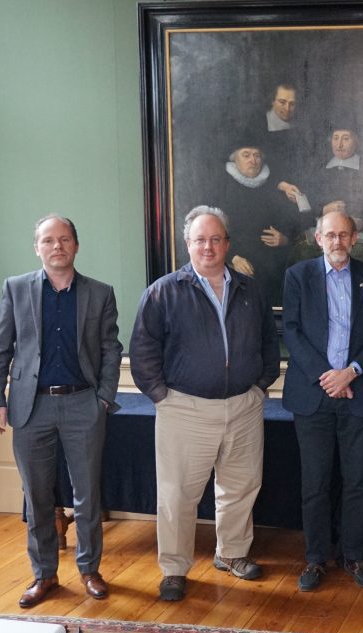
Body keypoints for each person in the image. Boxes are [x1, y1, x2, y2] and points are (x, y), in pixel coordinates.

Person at [130, 205, 279, 602]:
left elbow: (268, 341)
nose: (208, 247)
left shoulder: (250, 289)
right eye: (200, 240)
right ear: (188, 244)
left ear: (227, 244)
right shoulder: (164, 291)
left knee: (240, 486)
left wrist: (260, 387)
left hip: (244, 406)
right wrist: (163, 397)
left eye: (216, 239)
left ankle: (231, 554)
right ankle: (175, 568)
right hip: (185, 409)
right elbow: (143, 351)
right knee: (178, 494)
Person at [0, 214, 122, 607]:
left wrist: (104, 396)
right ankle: (43, 575)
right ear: (37, 248)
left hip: (83, 403)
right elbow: (1, 349)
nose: (57, 246)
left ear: (76, 245)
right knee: (37, 495)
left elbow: (111, 348)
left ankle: (89, 569)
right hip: (31, 407)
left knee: (88, 495)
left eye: (64, 239)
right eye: (48, 240)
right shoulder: (16, 289)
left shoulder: (99, 293)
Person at [282, 210, 363, 592]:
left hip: (358, 392)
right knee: (315, 482)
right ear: (318, 238)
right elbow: (291, 331)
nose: (337, 242)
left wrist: (352, 372)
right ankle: (315, 559)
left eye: (344, 235)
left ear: (354, 238)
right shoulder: (298, 276)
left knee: (358, 481)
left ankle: (356, 555)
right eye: (331, 235)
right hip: (312, 394)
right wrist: (328, 377)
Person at [217, 141, 309, 307]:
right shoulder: (222, 189)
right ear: (235, 160)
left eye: (256, 155)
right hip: (238, 267)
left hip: (275, 270)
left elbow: (298, 225)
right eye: (246, 155)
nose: (253, 160)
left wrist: (285, 239)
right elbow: (215, 233)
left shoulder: (276, 187)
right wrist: (233, 257)